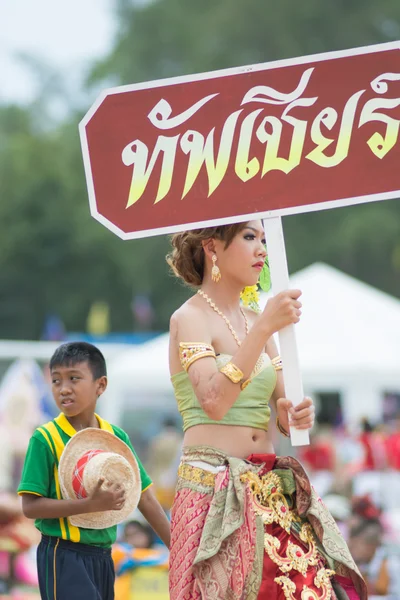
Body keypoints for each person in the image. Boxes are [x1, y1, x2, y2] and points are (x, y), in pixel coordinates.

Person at [166, 221, 366, 600]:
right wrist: (263, 330)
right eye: (249, 237)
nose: (262, 249)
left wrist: (295, 414)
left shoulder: (257, 319)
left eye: (263, 238)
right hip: (213, 486)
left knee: (309, 590)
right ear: (212, 247)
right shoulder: (189, 318)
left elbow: (284, 408)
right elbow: (214, 401)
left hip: (268, 486)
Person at [17, 342, 170, 600]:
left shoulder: (115, 437)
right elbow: (30, 507)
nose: (64, 389)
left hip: (103, 555)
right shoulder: (45, 438)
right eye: (56, 381)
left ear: (100, 385)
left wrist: (178, 550)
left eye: (74, 379)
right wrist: (90, 505)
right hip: (62, 553)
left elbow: (144, 496)